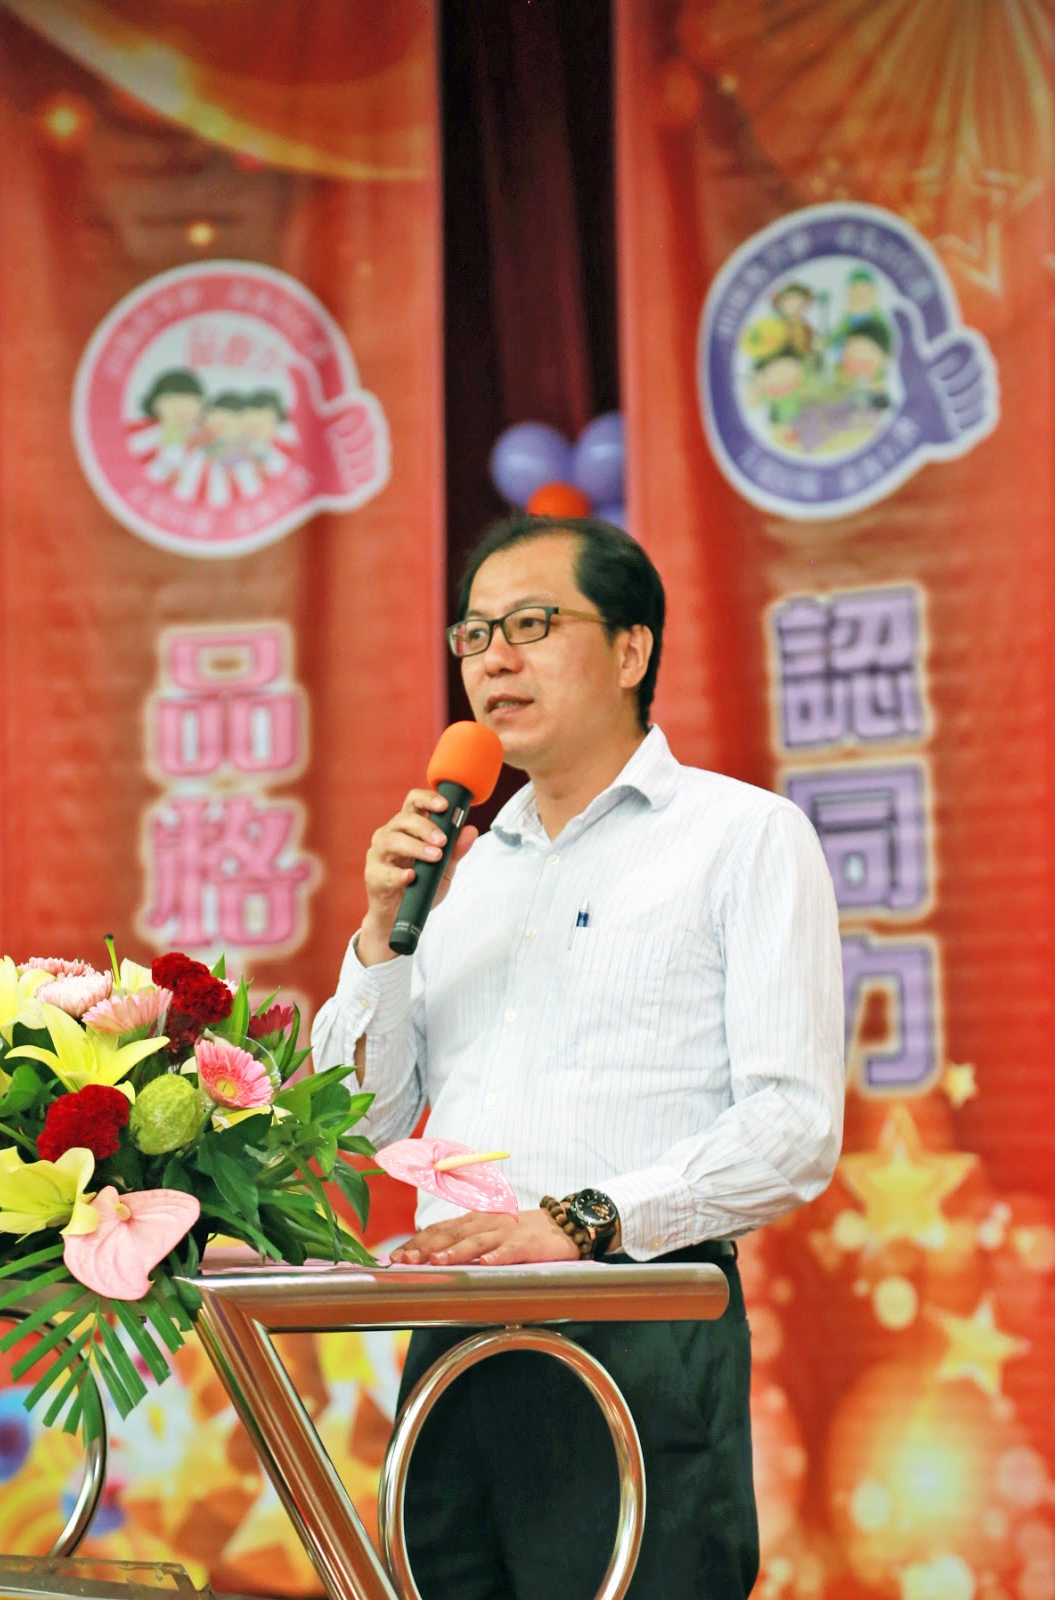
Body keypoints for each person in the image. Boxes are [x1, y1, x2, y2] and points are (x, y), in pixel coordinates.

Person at [311, 513, 845, 1599]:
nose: (492, 659)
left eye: (531, 624)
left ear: (631, 650)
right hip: (452, 1333)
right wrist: (377, 938)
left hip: (633, 1322)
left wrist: (579, 1221)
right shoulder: (464, 867)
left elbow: (791, 1126)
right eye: (472, 634)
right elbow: (362, 1121)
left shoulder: (739, 836)